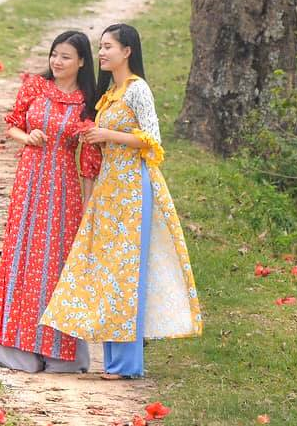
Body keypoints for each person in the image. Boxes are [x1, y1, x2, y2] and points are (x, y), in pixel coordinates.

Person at [40, 23, 201, 380]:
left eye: (109, 47)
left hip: (133, 188)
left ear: (127, 51)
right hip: (110, 189)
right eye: (100, 47)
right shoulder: (109, 93)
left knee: (127, 274)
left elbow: (153, 140)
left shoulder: (137, 89)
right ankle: (113, 361)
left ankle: (126, 364)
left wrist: (107, 134)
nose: (102, 53)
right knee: (111, 273)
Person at [0, 31, 102, 373]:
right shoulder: (35, 87)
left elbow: (90, 157)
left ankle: (59, 353)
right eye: (55, 54)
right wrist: (29, 136)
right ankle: (18, 351)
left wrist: (87, 202)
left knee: (55, 262)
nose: (57, 61)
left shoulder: (87, 101)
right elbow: (12, 125)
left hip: (63, 185)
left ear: (81, 61)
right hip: (30, 180)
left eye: (66, 56)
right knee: (22, 254)